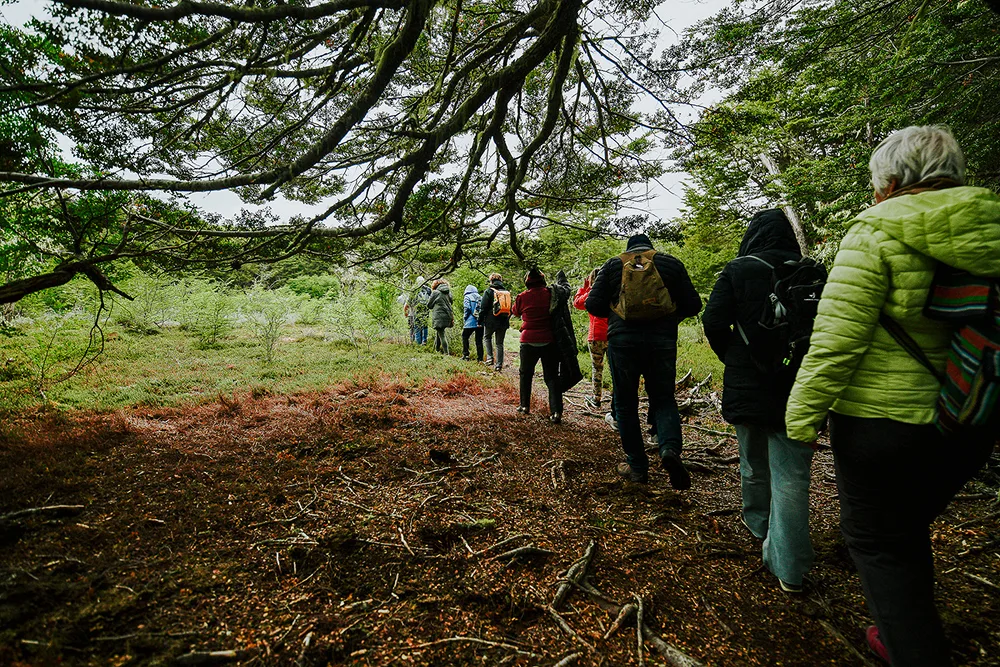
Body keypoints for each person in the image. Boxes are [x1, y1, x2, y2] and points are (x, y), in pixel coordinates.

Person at [785, 126, 1000, 666]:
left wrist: (800, 423)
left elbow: (835, 341)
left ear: (895, 179)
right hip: (971, 415)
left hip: (882, 422)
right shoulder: (992, 227)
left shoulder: (876, 232)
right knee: (904, 532)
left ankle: (912, 647)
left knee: (877, 540)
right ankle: (900, 630)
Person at [702, 209, 814, 594]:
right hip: (801, 384)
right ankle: (790, 567)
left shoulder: (738, 269)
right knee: (794, 473)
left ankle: (758, 527)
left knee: (752, 461)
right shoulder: (812, 272)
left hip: (749, 381)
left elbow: (714, 321)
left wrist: (734, 356)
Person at [586, 233, 702, 488]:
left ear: (629, 248)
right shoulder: (670, 264)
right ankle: (669, 449)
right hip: (661, 342)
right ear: (651, 247)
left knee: (625, 404)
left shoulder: (614, 265)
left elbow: (593, 305)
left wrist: (619, 312)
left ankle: (637, 466)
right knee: (663, 398)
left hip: (622, 343)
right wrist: (670, 318)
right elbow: (694, 304)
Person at [511, 268, 563, 423]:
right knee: (552, 377)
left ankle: (524, 406)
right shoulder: (550, 294)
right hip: (549, 339)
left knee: (525, 374)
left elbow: (515, 312)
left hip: (528, 340)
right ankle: (556, 412)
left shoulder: (522, 296)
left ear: (527, 281)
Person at [574, 268, 610, 411]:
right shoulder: (611, 292)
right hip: (612, 335)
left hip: (596, 336)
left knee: (597, 368)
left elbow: (577, 303)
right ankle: (617, 397)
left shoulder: (591, 294)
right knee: (615, 369)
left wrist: (584, 288)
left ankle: (596, 398)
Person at [480, 272, 512, 371]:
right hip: (503, 321)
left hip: (490, 320)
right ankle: (499, 365)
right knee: (499, 343)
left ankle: (490, 358)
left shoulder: (489, 291)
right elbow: (510, 309)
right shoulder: (506, 292)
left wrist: (480, 320)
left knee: (487, 337)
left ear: (491, 280)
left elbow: (483, 307)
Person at [427, 279, 454, 355]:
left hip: (439, 316)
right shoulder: (448, 292)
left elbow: (429, 305)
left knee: (441, 334)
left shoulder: (435, 292)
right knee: (439, 332)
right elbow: (451, 302)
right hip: (448, 315)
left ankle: (446, 353)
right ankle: (436, 350)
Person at [462, 284, 484, 361]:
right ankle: (480, 358)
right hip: (480, 322)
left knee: (465, 336)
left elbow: (467, 308)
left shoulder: (467, 297)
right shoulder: (481, 297)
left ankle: (466, 355)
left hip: (470, 321)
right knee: (479, 340)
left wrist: (465, 318)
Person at [412, 277, 431, 345]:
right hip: (426, 310)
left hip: (417, 310)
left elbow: (411, 301)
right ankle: (424, 341)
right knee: (425, 325)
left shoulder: (415, 289)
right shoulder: (428, 289)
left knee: (417, 326)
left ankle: (418, 342)